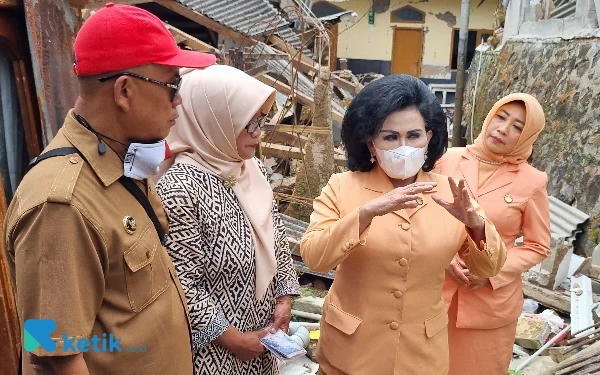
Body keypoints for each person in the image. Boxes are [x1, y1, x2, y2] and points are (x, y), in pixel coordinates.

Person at [4, 4, 216, 375]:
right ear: (124, 91)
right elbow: (51, 355)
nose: (178, 100)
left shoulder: (122, 163)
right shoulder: (60, 204)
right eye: (172, 85)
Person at [299, 74, 508, 375]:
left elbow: (489, 268)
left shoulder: (451, 192)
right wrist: (366, 213)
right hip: (351, 353)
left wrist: (476, 226)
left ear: (429, 138)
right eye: (390, 137)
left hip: (421, 354)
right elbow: (314, 257)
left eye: (413, 135)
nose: (404, 146)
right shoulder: (342, 187)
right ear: (371, 144)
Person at [155, 65, 301, 375]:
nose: (258, 134)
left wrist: (284, 298)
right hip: (214, 357)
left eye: (261, 122)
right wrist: (234, 339)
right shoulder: (180, 189)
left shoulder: (251, 170)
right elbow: (182, 285)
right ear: (214, 120)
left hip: (262, 345)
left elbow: (276, 237)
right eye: (248, 124)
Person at [434, 93, 551, 375]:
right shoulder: (446, 159)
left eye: (517, 127)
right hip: (435, 291)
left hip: (488, 305)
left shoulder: (532, 181)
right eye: (501, 117)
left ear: (527, 137)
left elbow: (538, 245)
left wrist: (492, 272)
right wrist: (443, 258)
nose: (502, 129)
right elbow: (423, 215)